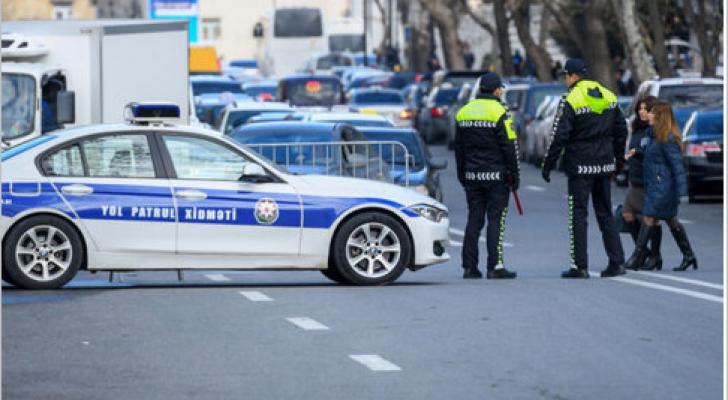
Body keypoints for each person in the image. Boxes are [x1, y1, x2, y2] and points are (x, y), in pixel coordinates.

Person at [541, 58, 628, 278]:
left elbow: (559, 136)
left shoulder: (570, 99)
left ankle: (579, 266)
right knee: (605, 213)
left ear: (571, 76)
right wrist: (618, 159)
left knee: (578, 214)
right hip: (605, 163)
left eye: (565, 77)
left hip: (580, 166)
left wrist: (548, 164)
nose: (565, 81)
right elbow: (621, 130)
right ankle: (617, 262)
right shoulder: (607, 95)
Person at [454, 72, 520, 280]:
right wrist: (514, 174)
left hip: (472, 176)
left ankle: (469, 267)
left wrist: (463, 175)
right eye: (500, 88)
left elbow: (459, 149)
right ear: (497, 90)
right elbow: (509, 146)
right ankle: (495, 266)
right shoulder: (501, 111)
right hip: (496, 177)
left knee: (474, 220)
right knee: (495, 221)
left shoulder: (464, 112)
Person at [624, 101, 697, 271]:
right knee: (671, 220)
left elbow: (677, 166)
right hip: (656, 185)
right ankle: (688, 255)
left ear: (660, 117)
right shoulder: (654, 136)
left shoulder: (668, 139)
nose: (648, 115)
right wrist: (637, 153)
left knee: (649, 217)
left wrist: (682, 192)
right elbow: (654, 157)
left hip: (663, 187)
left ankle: (638, 256)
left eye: (652, 113)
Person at [622, 95, 662, 270]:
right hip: (635, 180)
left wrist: (637, 152)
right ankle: (644, 251)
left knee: (652, 219)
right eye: (640, 109)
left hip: (650, 180)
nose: (642, 112)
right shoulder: (636, 129)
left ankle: (653, 255)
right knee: (627, 214)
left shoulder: (656, 130)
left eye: (646, 109)